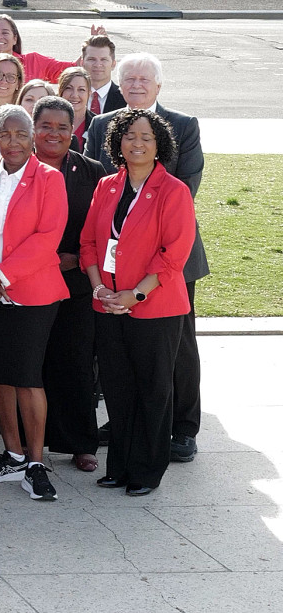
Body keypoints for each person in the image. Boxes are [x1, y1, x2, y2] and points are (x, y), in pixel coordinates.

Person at [83, 52, 206, 463]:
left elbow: (186, 186)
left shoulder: (183, 125)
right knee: (122, 352)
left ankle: (183, 428)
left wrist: (144, 264)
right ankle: (124, 422)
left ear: (158, 86)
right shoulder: (102, 125)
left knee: (177, 350)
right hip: (116, 264)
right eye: (129, 80)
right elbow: (98, 185)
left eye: (143, 79)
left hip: (170, 260)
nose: (136, 86)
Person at [0, 104, 69, 502]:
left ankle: (36, 463)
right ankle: (12, 454)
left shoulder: (49, 179)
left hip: (31, 294)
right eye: (5, 134)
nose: (13, 142)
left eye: (21, 134)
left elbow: (46, 238)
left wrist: (1, 276)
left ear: (33, 138)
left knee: (26, 376)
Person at [31, 95, 107, 472]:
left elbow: (102, 227)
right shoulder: (16, 168)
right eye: (46, 126)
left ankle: (80, 442)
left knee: (75, 364)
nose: (54, 134)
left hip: (76, 282)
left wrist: (78, 259)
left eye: (63, 127)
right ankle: (29, 448)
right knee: (30, 366)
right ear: (33, 128)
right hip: (26, 283)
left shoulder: (92, 171)